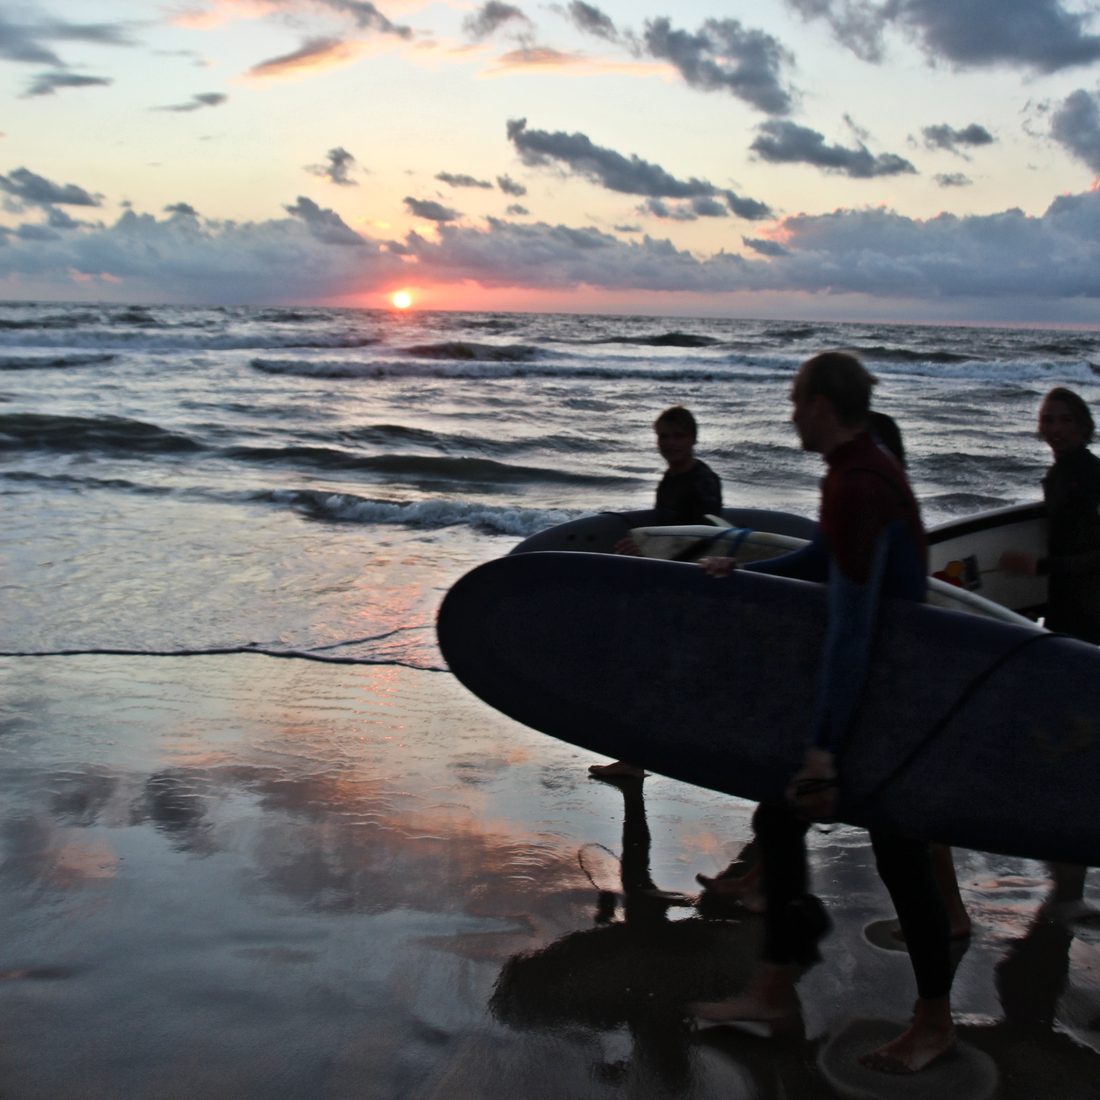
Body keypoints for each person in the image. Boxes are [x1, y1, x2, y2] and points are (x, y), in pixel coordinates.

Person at [690, 353, 956, 1076]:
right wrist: (741, 569)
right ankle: (774, 987)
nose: (790, 414)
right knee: (780, 821)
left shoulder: (862, 484)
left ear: (824, 405)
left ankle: (933, 1025)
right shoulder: (857, 469)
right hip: (884, 692)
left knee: (902, 857)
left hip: (888, 699)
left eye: (796, 401)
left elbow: (852, 627)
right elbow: (821, 561)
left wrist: (824, 750)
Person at [999, 387, 1099, 917]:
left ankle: (1072, 838)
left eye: (1064, 420)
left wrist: (1039, 573)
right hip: (1064, 609)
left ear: (1083, 426)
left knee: (1076, 708)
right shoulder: (1062, 473)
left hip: (1090, 613)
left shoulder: (1089, 472)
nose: (1055, 428)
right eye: (1047, 420)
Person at [590, 406, 722, 781]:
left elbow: (708, 540)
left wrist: (650, 551)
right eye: (663, 436)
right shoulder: (670, 478)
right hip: (662, 585)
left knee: (649, 674)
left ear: (694, 438)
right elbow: (665, 528)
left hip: (688, 593)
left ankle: (641, 758)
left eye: (678, 435)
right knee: (637, 672)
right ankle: (633, 758)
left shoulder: (704, 481)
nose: (670, 443)